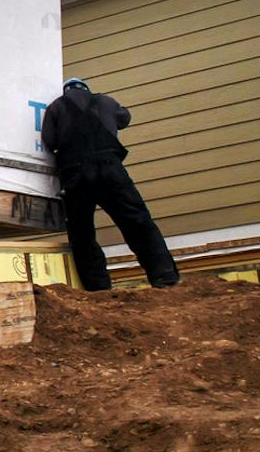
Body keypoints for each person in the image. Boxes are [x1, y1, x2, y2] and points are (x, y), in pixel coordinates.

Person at [41, 77, 180, 292]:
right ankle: (164, 277)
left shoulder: (56, 108)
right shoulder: (105, 102)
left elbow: (49, 140)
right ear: (86, 89)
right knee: (138, 222)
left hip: (76, 176)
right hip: (111, 170)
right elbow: (125, 118)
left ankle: (98, 288)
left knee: (82, 233)